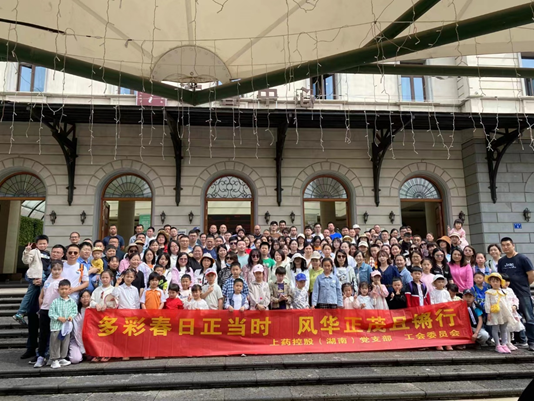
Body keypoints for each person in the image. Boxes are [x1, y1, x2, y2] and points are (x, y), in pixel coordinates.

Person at [497, 237, 534, 351]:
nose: (505, 247)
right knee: (512, 316)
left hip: (522, 293)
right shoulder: (502, 261)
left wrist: (524, 285)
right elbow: (500, 277)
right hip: (508, 294)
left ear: (513, 245)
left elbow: (531, 275)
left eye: (508, 245)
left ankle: (532, 341)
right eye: (503, 245)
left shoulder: (523, 258)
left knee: (529, 317)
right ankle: (519, 340)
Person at [14, 235, 51, 325]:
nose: (42, 245)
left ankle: (20, 313)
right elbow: (26, 261)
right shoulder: (34, 252)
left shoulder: (47, 253)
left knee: (29, 295)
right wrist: (27, 251)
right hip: (38, 275)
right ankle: (40, 310)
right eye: (40, 244)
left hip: (43, 275)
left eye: (44, 243)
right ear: (36, 244)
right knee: (43, 294)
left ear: (47, 244)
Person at [33, 260, 63, 368]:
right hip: (45, 309)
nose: (56, 271)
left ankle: (52, 356)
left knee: (54, 335)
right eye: (54, 269)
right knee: (43, 334)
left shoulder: (63, 282)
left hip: (56, 311)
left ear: (62, 270)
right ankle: (41, 356)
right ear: (51, 270)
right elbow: (42, 294)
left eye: (59, 269)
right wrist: (40, 302)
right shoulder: (47, 281)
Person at [48, 279, 78, 369]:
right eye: (62, 289)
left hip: (66, 327)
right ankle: (54, 359)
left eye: (66, 289)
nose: (64, 291)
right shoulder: (55, 302)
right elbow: (51, 313)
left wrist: (71, 316)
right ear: (58, 290)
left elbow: (74, 311)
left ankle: (62, 357)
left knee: (65, 342)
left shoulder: (72, 302)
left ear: (69, 290)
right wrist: (58, 318)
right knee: (55, 342)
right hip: (56, 326)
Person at [485, 272, 515, 354]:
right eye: (493, 281)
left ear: (500, 282)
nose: (495, 283)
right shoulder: (489, 292)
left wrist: (510, 311)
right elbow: (487, 303)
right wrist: (488, 313)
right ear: (490, 282)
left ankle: (504, 344)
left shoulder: (504, 292)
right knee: (495, 328)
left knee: (504, 329)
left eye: (497, 281)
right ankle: (497, 345)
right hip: (494, 313)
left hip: (504, 312)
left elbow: (507, 302)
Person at [501, 273, 527, 350]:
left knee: (510, 327)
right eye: (504, 281)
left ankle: (509, 342)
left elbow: (515, 298)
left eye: (508, 281)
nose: (506, 283)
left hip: (512, 311)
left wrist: (515, 305)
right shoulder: (499, 291)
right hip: (504, 312)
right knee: (505, 328)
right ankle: (506, 342)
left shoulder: (510, 290)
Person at [69, 289, 90, 364]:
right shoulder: (75, 311)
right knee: (75, 359)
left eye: (87, 296)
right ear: (80, 299)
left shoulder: (93, 310)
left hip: (90, 338)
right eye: (83, 297)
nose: (85, 299)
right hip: (76, 338)